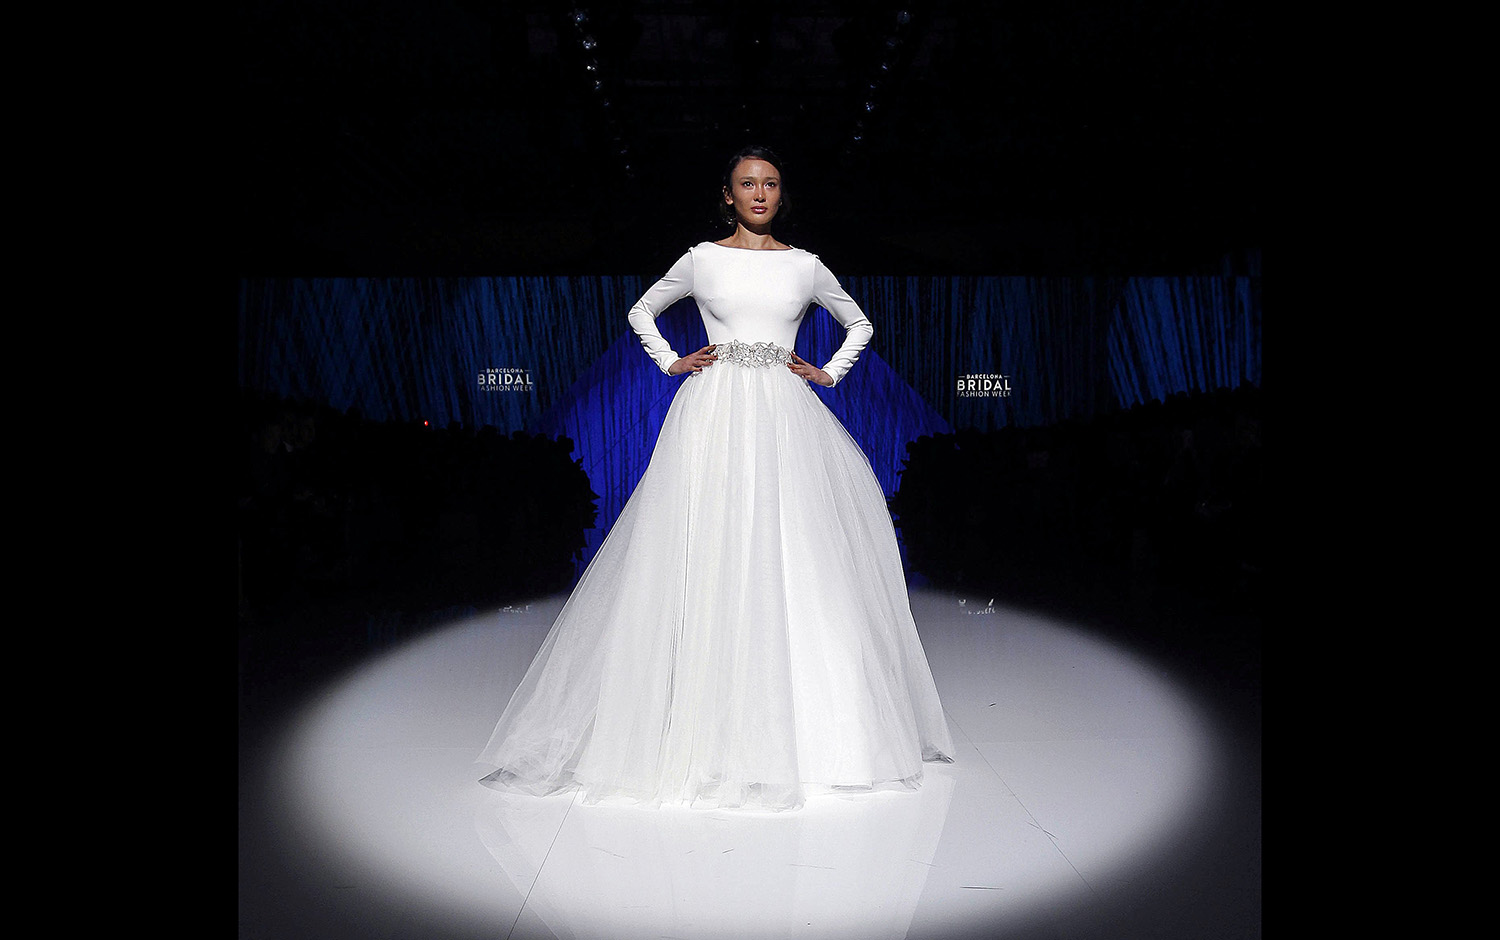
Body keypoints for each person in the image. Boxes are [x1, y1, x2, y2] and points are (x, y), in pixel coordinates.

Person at [477, 145, 953, 812]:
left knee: (795, 552)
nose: (759, 193)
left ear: (781, 194)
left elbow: (860, 323)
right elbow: (641, 310)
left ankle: (820, 735)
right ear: (728, 195)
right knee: (706, 549)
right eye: (747, 184)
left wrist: (828, 372)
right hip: (713, 410)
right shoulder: (701, 259)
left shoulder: (804, 265)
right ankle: (697, 725)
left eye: (771, 183)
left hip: (786, 415)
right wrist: (670, 360)